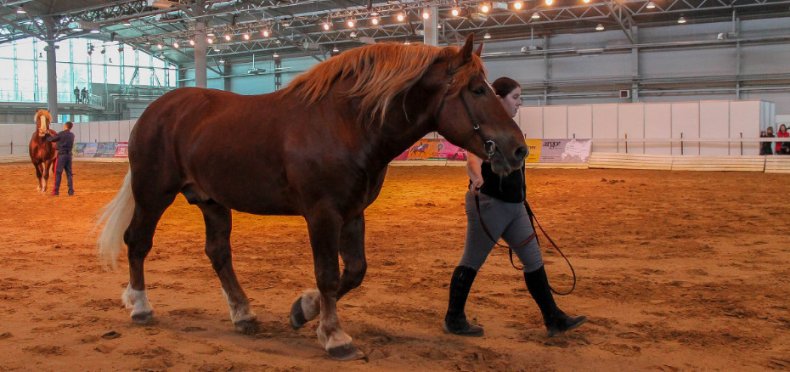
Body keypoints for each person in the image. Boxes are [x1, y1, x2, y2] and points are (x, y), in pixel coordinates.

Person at [444, 77, 586, 338]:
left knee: (533, 260)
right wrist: (477, 176)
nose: (520, 103)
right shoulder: (484, 130)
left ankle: (553, 317)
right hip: (490, 205)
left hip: (515, 207)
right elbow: (472, 157)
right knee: (472, 260)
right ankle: (454, 318)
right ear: (498, 99)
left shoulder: (508, 128)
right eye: (515, 97)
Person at [45, 121, 75, 196]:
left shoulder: (61, 133)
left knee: (58, 173)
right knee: (69, 174)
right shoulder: (72, 135)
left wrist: (47, 135)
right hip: (69, 156)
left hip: (62, 156)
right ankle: (71, 191)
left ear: (65, 126)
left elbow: (52, 139)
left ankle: (56, 191)